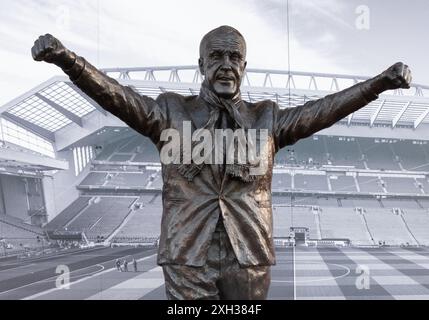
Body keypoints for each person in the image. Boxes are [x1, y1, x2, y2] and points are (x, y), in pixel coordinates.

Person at [31, 26, 412, 300]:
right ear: (200, 64)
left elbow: (324, 110)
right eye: (217, 56)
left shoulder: (268, 118)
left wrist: (377, 84)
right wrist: (70, 61)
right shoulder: (169, 110)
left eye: (235, 57)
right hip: (187, 255)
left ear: (245, 65)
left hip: (248, 255)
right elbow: (119, 98)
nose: (226, 65)